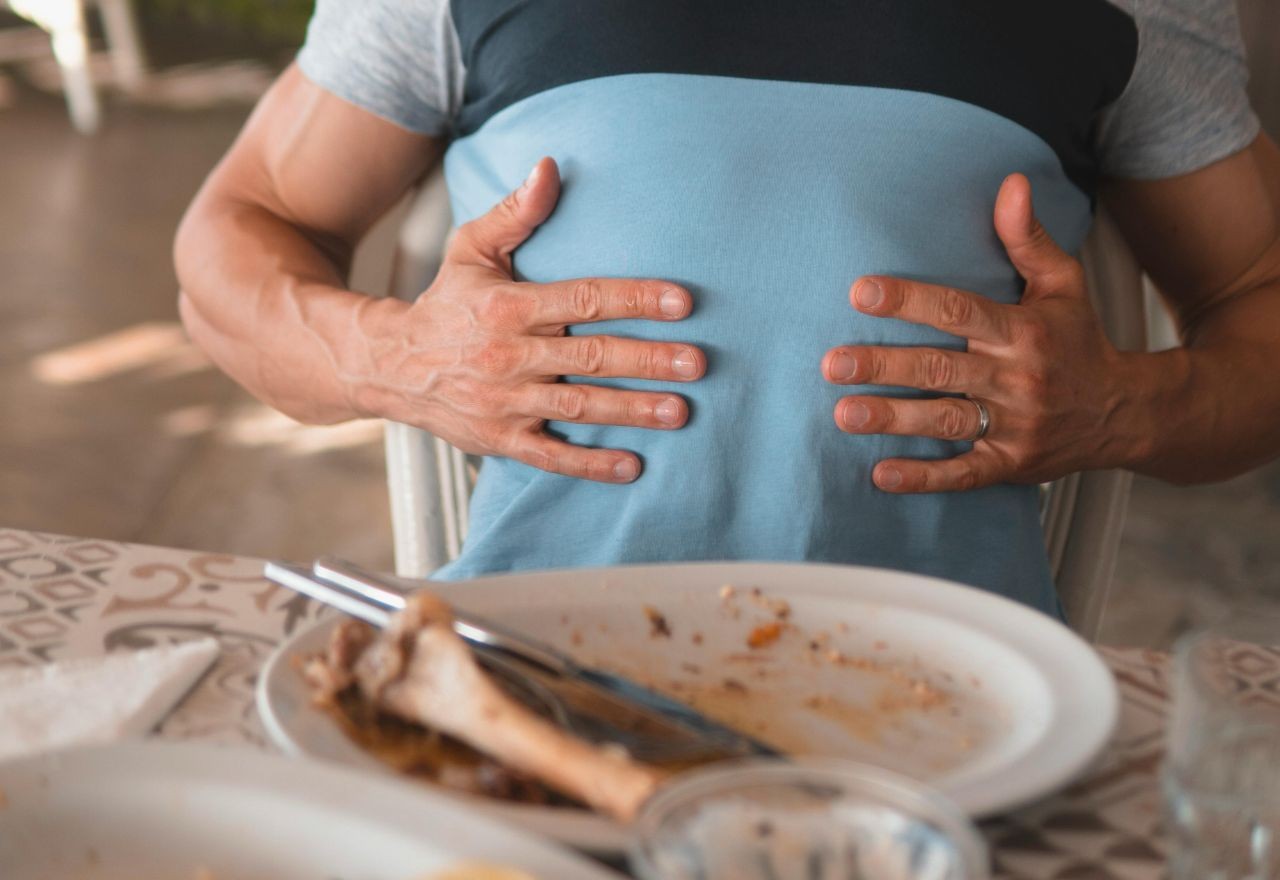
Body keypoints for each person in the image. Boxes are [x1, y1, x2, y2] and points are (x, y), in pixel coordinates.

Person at [174, 0, 1280, 618]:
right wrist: (400, 358)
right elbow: (234, 237)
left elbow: (1256, 300)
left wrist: (1120, 407)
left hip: (951, 710)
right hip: (527, 675)